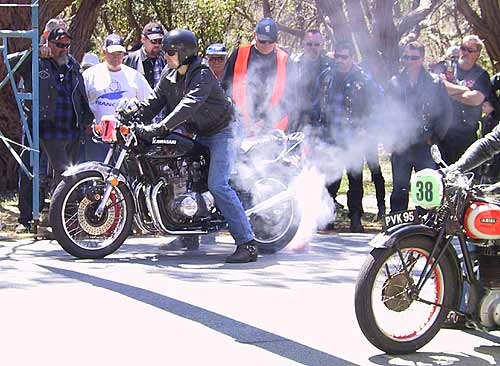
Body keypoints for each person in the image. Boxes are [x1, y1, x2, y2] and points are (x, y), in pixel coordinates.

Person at [133, 29, 258, 263]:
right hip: (201, 131)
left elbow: (189, 104)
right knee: (184, 174)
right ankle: (188, 235)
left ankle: (247, 243)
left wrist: (161, 127)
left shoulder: (202, 74)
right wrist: (133, 116)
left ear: (183, 52)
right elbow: (153, 102)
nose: (165, 55)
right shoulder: (170, 75)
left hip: (224, 131)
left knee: (217, 184)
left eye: (170, 51)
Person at [13, 24, 94, 231]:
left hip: (70, 127)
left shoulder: (72, 64)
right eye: (59, 45)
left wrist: (86, 119)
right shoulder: (35, 61)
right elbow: (10, 62)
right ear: (48, 42)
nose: (64, 49)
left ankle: (62, 219)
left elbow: (80, 92)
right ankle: (27, 218)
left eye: (67, 45)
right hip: (43, 127)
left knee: (69, 174)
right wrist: (34, 51)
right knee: (33, 171)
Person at [324, 41, 384, 232]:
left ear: (352, 58)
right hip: (331, 135)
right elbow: (317, 102)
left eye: (345, 57)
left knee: (355, 179)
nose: (340, 61)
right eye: (338, 57)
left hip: (354, 138)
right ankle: (327, 216)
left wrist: (367, 127)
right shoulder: (327, 77)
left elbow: (378, 103)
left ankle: (355, 218)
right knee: (331, 179)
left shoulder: (364, 79)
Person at [386, 41, 452, 213]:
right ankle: (396, 229)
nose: (409, 61)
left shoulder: (435, 83)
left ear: (422, 58)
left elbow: (446, 114)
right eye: (406, 57)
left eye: (414, 58)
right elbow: (386, 112)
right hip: (401, 146)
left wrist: (435, 138)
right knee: (399, 190)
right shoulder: (394, 82)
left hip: (425, 145)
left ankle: (425, 229)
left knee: (425, 191)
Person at [83, 33, 152, 162]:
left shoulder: (134, 76)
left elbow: (150, 103)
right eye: (112, 53)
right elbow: (80, 102)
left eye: (119, 53)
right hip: (98, 138)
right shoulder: (89, 75)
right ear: (104, 52)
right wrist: (87, 124)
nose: (116, 57)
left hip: (125, 139)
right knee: (97, 174)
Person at [221, 17, 293, 136]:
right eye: (262, 40)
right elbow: (224, 89)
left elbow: (290, 97)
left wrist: (265, 122)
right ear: (255, 36)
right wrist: (240, 118)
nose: (267, 44)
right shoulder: (239, 54)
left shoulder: (284, 59)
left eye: (271, 41)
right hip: (240, 126)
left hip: (273, 130)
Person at [440, 35, 491, 164]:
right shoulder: (447, 68)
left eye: (470, 50)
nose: (465, 53)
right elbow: (439, 86)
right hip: (443, 134)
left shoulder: (481, 74)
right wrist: (464, 90)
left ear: (478, 54)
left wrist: (450, 91)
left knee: (465, 177)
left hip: (466, 135)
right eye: (463, 48)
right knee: (441, 177)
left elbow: (475, 99)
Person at [292, 29, 334, 133]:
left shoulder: (331, 66)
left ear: (322, 45)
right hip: (297, 124)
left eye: (316, 44)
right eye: (309, 44)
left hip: (322, 125)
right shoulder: (292, 64)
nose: (313, 48)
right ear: (303, 44)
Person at [124, 22, 166, 89]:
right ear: (143, 39)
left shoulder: (167, 59)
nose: (157, 45)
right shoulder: (130, 60)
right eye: (153, 41)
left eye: (160, 41)